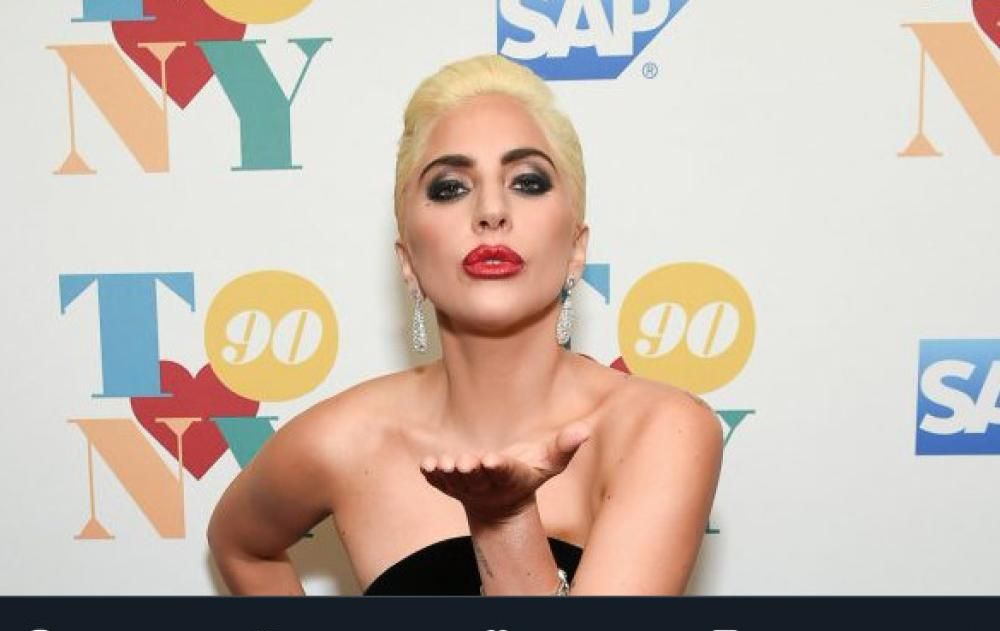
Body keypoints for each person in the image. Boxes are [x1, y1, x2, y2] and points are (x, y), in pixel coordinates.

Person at [207, 54, 723, 596]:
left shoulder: (661, 430)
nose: (491, 210)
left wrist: (505, 519)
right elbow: (240, 544)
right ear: (408, 261)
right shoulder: (344, 440)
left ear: (576, 249)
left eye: (527, 182)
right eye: (450, 188)